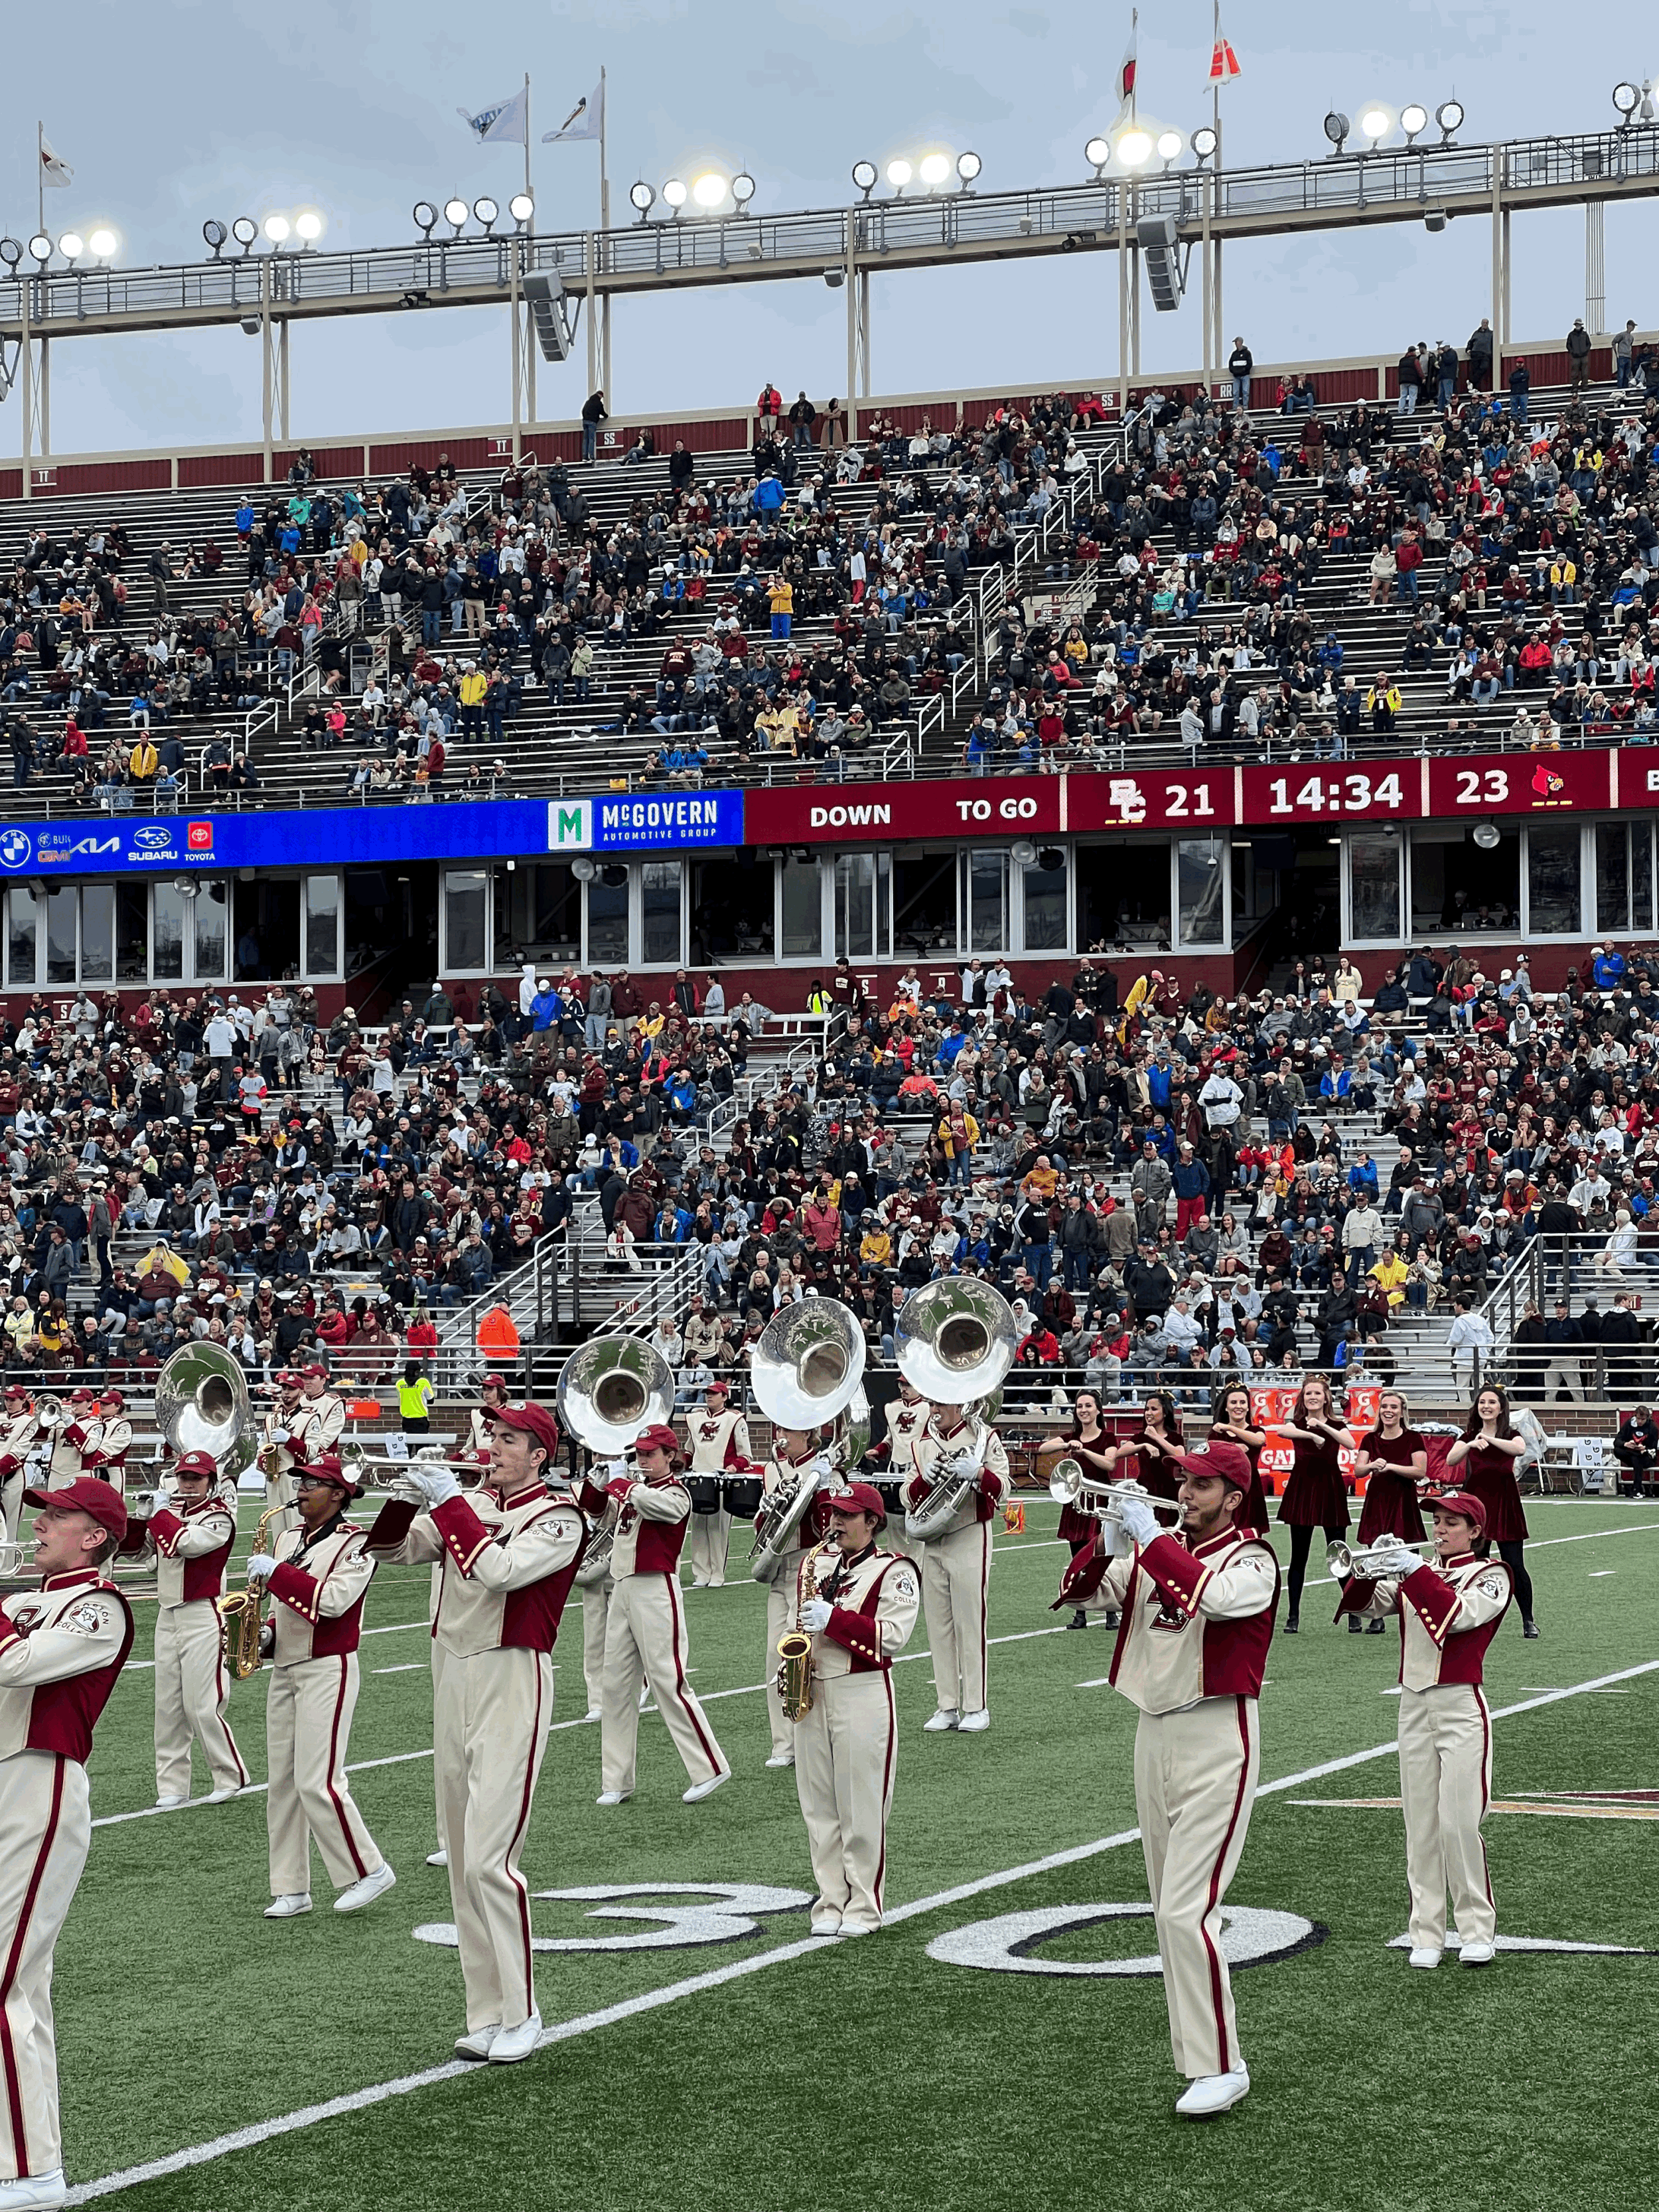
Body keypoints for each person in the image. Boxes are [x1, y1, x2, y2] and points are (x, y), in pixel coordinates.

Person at [1053, 1439, 1277, 2118]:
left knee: (1187, 1908)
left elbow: (1216, 1600)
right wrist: (1105, 1539)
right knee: (1165, 1909)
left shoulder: (1253, 1558)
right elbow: (1083, 1594)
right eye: (1183, 1482)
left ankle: (1221, 2064)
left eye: (1201, 1486)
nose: (1183, 1494)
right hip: (1152, 1729)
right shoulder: (1162, 1545)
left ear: (1233, 1499)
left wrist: (1150, 1540)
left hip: (1216, 1731)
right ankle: (1197, 2057)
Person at [366, 1403, 585, 2063]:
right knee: (462, 1861)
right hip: (452, 1673)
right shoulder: (474, 1500)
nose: (492, 1446)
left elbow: (502, 1572)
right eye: (492, 1435)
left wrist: (451, 1505)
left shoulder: (559, 1517)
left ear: (539, 1454)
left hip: (512, 1676)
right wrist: (404, 1502)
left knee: (492, 1859)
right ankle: (485, 2011)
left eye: (508, 1439)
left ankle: (523, 2010)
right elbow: (392, 1551)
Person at [0, 1477, 134, 2203]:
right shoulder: (26, 1599)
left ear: (94, 1536)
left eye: (59, 1515)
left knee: (5, 1981)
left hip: (38, 1785)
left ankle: (32, 2171)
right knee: (16, 1982)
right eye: (42, 1510)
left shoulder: (100, 1606)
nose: (41, 1520)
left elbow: (16, 1665)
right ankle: (23, 2149)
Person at [1334, 1490, 1510, 1968]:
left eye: (1452, 1522)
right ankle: (1426, 1933)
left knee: (1458, 1823)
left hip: (1460, 1703)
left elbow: (1457, 1616)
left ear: (1475, 1530)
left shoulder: (1492, 1575)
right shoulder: (1422, 1572)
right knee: (1421, 1826)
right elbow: (1368, 1606)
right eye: (1437, 1520)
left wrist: (1412, 1568)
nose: (1440, 1529)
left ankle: (1477, 1928)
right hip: (1413, 1704)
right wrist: (1360, 1568)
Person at [247, 1453, 396, 1921]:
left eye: (312, 1482)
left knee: (319, 1780)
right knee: (284, 1785)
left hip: (328, 1667)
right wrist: (264, 1634)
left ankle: (369, 1868)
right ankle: (291, 1887)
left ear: (338, 1494)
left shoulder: (358, 1544)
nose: (301, 1488)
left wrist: (278, 1573)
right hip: (287, 1667)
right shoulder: (290, 1536)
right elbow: (284, 1608)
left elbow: (332, 1603)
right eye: (301, 1481)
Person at [785, 1481, 919, 1936]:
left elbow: (893, 1635)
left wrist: (835, 1620)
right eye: (832, 1513)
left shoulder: (894, 1569)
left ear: (872, 1522)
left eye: (846, 1514)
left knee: (860, 1806)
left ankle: (863, 1905)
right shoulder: (815, 1562)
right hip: (814, 1688)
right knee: (818, 1806)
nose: (835, 1522)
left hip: (861, 1689)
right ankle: (830, 1902)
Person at [595, 1422, 730, 1805]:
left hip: (655, 1589)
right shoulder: (635, 1491)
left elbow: (662, 1511)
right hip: (622, 1586)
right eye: (639, 1454)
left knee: (668, 1680)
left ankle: (710, 1767)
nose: (642, 1460)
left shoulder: (676, 1493)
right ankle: (616, 1779)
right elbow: (599, 1514)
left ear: (670, 1457)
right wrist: (598, 1484)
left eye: (651, 1454)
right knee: (616, 1687)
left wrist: (625, 1485)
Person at [130, 1449, 248, 1806]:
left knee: (202, 1704)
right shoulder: (172, 1513)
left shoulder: (219, 1517)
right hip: (168, 1614)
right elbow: (135, 1553)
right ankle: (172, 1787)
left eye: (196, 1478)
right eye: (184, 1478)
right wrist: (142, 1516)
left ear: (211, 1482)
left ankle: (230, 1774)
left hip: (203, 1614)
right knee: (167, 1708)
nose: (188, 1484)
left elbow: (187, 1545)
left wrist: (162, 1513)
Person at [904, 1394, 1009, 1733]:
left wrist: (978, 1473)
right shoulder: (923, 1443)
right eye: (931, 1405)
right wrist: (925, 1481)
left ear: (959, 1406)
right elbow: (906, 1494)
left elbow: (1005, 1488)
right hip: (932, 1538)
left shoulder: (984, 1438)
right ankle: (946, 1705)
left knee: (970, 1622)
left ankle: (976, 1706)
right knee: (938, 1625)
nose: (933, 1412)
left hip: (968, 1532)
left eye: (940, 1406)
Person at [755, 1419, 833, 1768]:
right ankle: (782, 1744)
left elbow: (829, 1525)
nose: (781, 1438)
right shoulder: (772, 1469)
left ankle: (809, 1737)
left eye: (789, 1432)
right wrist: (769, 1511)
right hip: (779, 1565)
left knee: (800, 1650)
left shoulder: (826, 1469)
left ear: (808, 1434)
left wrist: (823, 1488)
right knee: (776, 1654)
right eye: (779, 1431)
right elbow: (762, 1526)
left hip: (809, 1564)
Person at [1445, 1386, 1537, 1638]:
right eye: (1482, 1402)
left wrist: (1491, 1440)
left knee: (1515, 1564)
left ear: (1501, 1408)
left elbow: (1519, 1449)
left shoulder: (1512, 1434)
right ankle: (1468, 1618)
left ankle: (1528, 1619)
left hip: (1506, 1504)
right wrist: (1471, 1444)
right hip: (1477, 1504)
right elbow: (1451, 1460)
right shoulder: (1469, 1436)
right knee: (1475, 1563)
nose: (1486, 1406)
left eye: (1492, 1402)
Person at [1037, 1389, 1128, 1627]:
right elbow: (1042, 1449)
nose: (1084, 1410)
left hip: (1100, 1504)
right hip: (1077, 1504)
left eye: (1088, 1406)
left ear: (1098, 1409)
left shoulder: (1108, 1438)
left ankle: (1110, 1612)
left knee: (1102, 1557)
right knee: (1078, 1558)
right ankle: (1080, 1612)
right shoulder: (1072, 1435)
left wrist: (1085, 1451)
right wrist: (1067, 1444)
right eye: (1080, 1407)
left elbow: (1110, 1464)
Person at [1272, 1373, 1354, 1632]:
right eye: (1308, 1393)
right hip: (1303, 1488)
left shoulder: (1337, 1424)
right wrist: (1310, 1435)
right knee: (1299, 1557)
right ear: (1303, 1397)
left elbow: (1350, 1443)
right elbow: (1282, 1430)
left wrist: (1323, 1428)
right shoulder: (1296, 1423)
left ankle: (1353, 1610)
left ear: (1326, 1397)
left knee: (1339, 1553)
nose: (1313, 1397)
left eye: (1317, 1393)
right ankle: (1293, 1616)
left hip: (1330, 1488)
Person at [1348, 1389, 1428, 1637]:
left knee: (1410, 1559)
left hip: (1404, 1502)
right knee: (1376, 1560)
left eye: (1393, 1407)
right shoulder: (1371, 1440)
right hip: (1378, 1502)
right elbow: (1359, 1470)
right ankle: (1377, 1616)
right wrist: (1372, 1465)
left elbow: (1420, 1471)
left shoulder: (1413, 1438)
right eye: (1384, 1407)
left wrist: (1392, 1466)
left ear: (1402, 1411)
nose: (1388, 1411)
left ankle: (1420, 1612)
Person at [684, 1375, 750, 1589]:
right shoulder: (695, 1419)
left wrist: (733, 1467)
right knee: (698, 1528)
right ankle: (701, 1573)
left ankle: (717, 1575)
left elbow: (745, 1456)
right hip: (697, 1480)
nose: (709, 1397)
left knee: (717, 1529)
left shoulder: (734, 1420)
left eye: (714, 1393)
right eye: (707, 1393)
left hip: (722, 1481)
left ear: (725, 1396)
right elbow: (689, 1450)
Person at [1206, 1383, 1272, 1537]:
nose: (1239, 1406)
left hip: (1250, 1492)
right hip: (1223, 1491)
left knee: (1251, 1540)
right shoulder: (1216, 1434)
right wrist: (1235, 1448)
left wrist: (1230, 1428)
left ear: (1249, 1407)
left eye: (1243, 1403)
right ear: (1226, 1407)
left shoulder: (1256, 1431)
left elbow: (1259, 1440)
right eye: (1234, 1403)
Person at [1612, 1405, 1659, 1498]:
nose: (1640, 1421)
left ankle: (1636, 1490)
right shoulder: (1630, 1424)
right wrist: (1626, 1444)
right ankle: (1636, 1491)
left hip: (1646, 1456)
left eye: (1643, 1419)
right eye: (1638, 1419)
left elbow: (1653, 1447)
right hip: (1631, 1453)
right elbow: (1617, 1441)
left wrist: (1644, 1448)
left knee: (1638, 1459)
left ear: (1647, 1418)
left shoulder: (1652, 1427)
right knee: (1618, 1450)